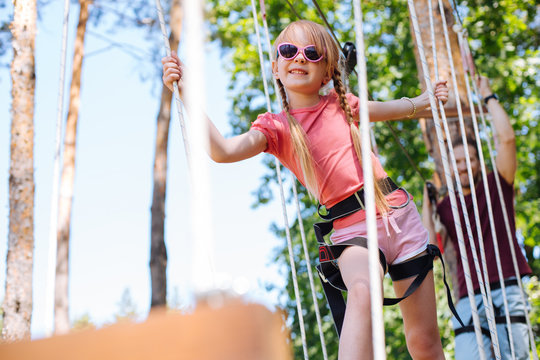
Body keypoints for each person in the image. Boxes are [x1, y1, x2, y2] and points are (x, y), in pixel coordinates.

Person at [163, 20, 450, 360]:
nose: (299, 58)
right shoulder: (276, 128)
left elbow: (402, 108)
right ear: (276, 67)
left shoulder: (343, 104)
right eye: (289, 51)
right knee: (361, 292)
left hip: (398, 213)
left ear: (327, 72)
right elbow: (223, 151)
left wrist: (428, 98)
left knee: (424, 344)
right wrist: (186, 93)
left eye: (312, 54)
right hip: (353, 231)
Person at [423, 76, 532, 360]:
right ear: (448, 168)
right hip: (469, 296)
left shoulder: (497, 184)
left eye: (469, 159)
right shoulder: (446, 207)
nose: (463, 166)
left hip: (507, 287)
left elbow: (506, 139)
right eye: (457, 162)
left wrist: (488, 95)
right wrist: (427, 200)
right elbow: (427, 247)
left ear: (479, 162)